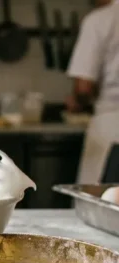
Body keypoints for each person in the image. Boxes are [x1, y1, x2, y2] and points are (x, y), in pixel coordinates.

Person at [66, 0, 119, 183]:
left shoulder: (99, 21)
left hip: (112, 128)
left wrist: (76, 102)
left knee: (99, 202)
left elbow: (84, 87)